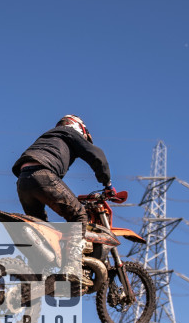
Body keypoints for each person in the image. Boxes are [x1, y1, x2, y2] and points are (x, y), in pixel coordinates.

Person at [11, 115, 113, 288]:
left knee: (41, 228)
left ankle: (38, 273)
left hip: (22, 180)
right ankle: (72, 267)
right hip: (42, 175)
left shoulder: (48, 136)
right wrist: (107, 183)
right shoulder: (69, 133)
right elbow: (96, 155)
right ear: (80, 128)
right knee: (79, 216)